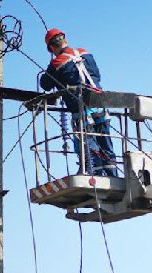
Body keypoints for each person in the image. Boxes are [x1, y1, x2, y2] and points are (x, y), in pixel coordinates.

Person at [39, 28, 118, 178]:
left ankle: (94, 176)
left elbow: (45, 84)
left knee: (89, 148)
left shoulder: (57, 62)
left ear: (52, 48)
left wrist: (52, 69)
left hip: (82, 112)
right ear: (65, 40)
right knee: (106, 146)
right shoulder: (85, 53)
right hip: (100, 106)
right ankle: (112, 176)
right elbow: (97, 75)